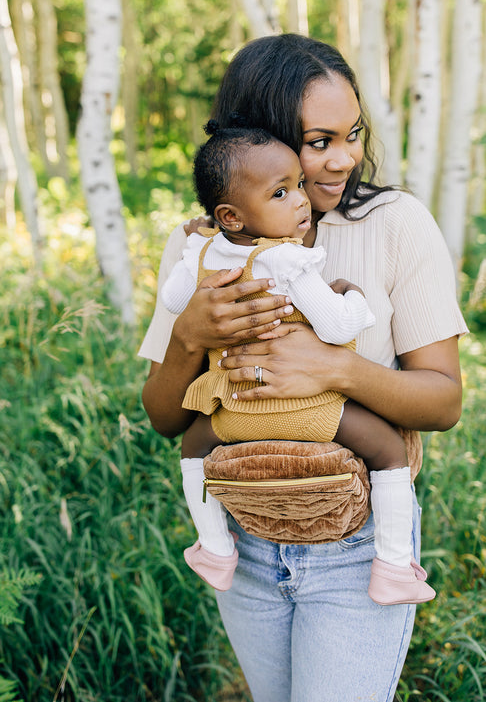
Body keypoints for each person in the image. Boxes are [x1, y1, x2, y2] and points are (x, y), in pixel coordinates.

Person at [139, 33, 467, 702]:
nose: (344, 157)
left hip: (360, 543)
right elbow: (166, 419)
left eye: (352, 133)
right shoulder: (200, 244)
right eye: (319, 141)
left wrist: (331, 369)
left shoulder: (394, 224)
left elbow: (443, 402)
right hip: (246, 535)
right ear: (260, 142)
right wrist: (187, 337)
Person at [160, 121, 435, 606]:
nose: (300, 201)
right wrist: (351, 296)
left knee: (190, 450)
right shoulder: (290, 260)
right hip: (306, 411)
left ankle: (215, 548)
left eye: (298, 187)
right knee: (389, 450)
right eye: (282, 192)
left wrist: (195, 281)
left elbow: (174, 296)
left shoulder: (203, 250)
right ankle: (393, 564)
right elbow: (335, 328)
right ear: (233, 213)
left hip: (232, 409)